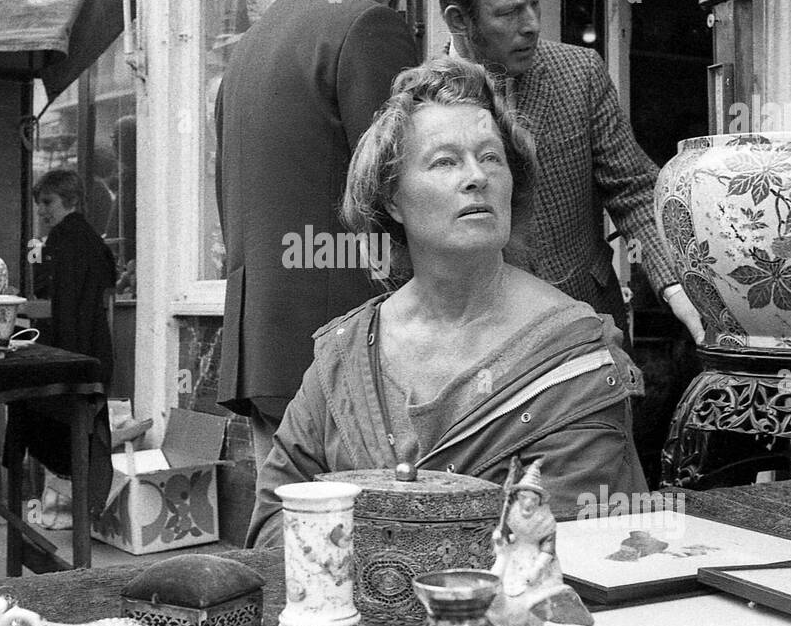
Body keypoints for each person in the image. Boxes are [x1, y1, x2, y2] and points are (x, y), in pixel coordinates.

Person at [246, 57, 649, 548]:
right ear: (391, 198)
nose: (477, 177)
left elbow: (567, 553)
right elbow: (275, 521)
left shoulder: (573, 360)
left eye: (492, 157)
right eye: (445, 161)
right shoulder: (344, 355)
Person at [215, 0, 420, 465]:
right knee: (366, 544)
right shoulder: (367, 24)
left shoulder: (246, 50)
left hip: (259, 353)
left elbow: (232, 202)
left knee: (288, 539)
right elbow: (400, 191)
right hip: (344, 352)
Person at [438, 0, 703, 344]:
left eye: (534, 4)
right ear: (459, 21)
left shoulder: (579, 73)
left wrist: (679, 290)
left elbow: (631, 190)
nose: (531, 24)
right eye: (509, 12)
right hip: (478, 336)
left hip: (586, 318)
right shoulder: (424, 104)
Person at [24, 169, 117, 522]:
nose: (42, 211)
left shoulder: (63, 240)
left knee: (41, 414)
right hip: (96, 350)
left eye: (48, 202)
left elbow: (59, 305)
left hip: (75, 351)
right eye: (39, 204)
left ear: (70, 200)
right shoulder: (90, 238)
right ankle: (70, 505)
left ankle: (57, 503)